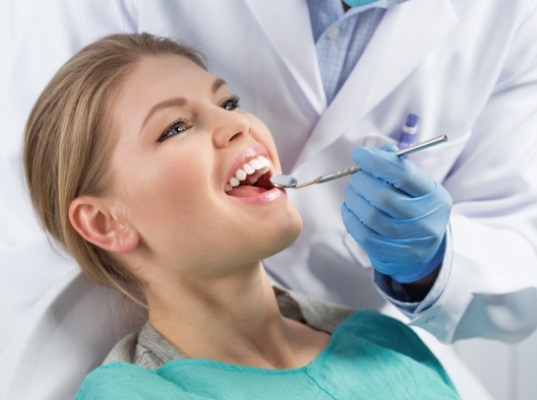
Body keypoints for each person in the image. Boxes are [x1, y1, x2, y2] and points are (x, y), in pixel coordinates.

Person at [2, 0, 537, 397]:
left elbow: (518, 245)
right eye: (175, 127)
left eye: (230, 101)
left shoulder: (388, 347)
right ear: (102, 222)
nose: (237, 123)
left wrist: (432, 265)